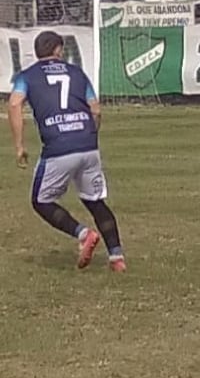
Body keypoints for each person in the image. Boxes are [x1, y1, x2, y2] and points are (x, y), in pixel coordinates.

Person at [7, 31, 126, 272]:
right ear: (59, 50)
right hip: (88, 146)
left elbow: (14, 103)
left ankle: (83, 234)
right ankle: (117, 258)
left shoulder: (27, 76)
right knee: (95, 201)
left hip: (59, 148)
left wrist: (19, 146)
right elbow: (96, 110)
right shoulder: (77, 73)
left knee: (41, 201)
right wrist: (90, 136)